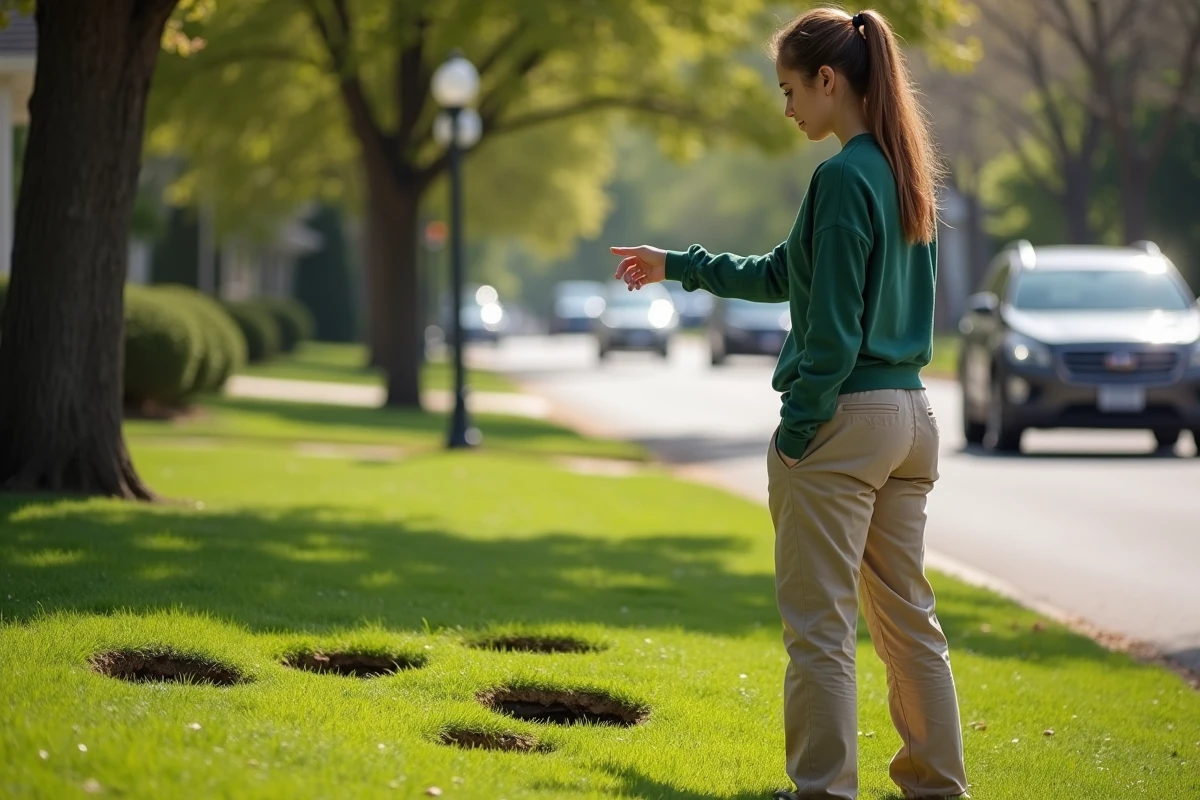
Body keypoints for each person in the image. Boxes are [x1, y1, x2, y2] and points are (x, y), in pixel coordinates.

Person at [609, 8, 970, 800]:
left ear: (829, 80)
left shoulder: (842, 177)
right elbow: (784, 274)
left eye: (789, 90)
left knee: (821, 631)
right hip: (910, 418)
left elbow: (833, 331)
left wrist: (796, 432)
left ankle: (823, 791)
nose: (788, 108)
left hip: (847, 420)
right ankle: (939, 789)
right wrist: (678, 264)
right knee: (910, 628)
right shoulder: (902, 169)